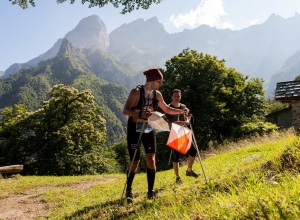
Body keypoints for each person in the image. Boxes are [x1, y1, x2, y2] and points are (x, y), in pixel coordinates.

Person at [123, 68, 188, 202]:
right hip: (134, 128)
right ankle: (129, 190)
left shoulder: (157, 94)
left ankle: (150, 191)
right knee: (135, 160)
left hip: (149, 127)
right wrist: (140, 113)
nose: (161, 83)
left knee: (151, 158)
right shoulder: (136, 92)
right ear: (152, 80)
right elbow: (126, 111)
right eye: (159, 80)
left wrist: (181, 110)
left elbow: (167, 109)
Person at [165, 89, 199, 184]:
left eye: (178, 96)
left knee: (193, 149)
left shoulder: (183, 107)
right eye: (175, 96)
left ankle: (189, 170)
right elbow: (164, 120)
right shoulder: (169, 107)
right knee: (176, 156)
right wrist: (171, 124)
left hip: (184, 131)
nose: (176, 98)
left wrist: (184, 122)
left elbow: (188, 118)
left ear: (180, 97)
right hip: (175, 133)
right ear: (172, 97)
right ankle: (177, 177)